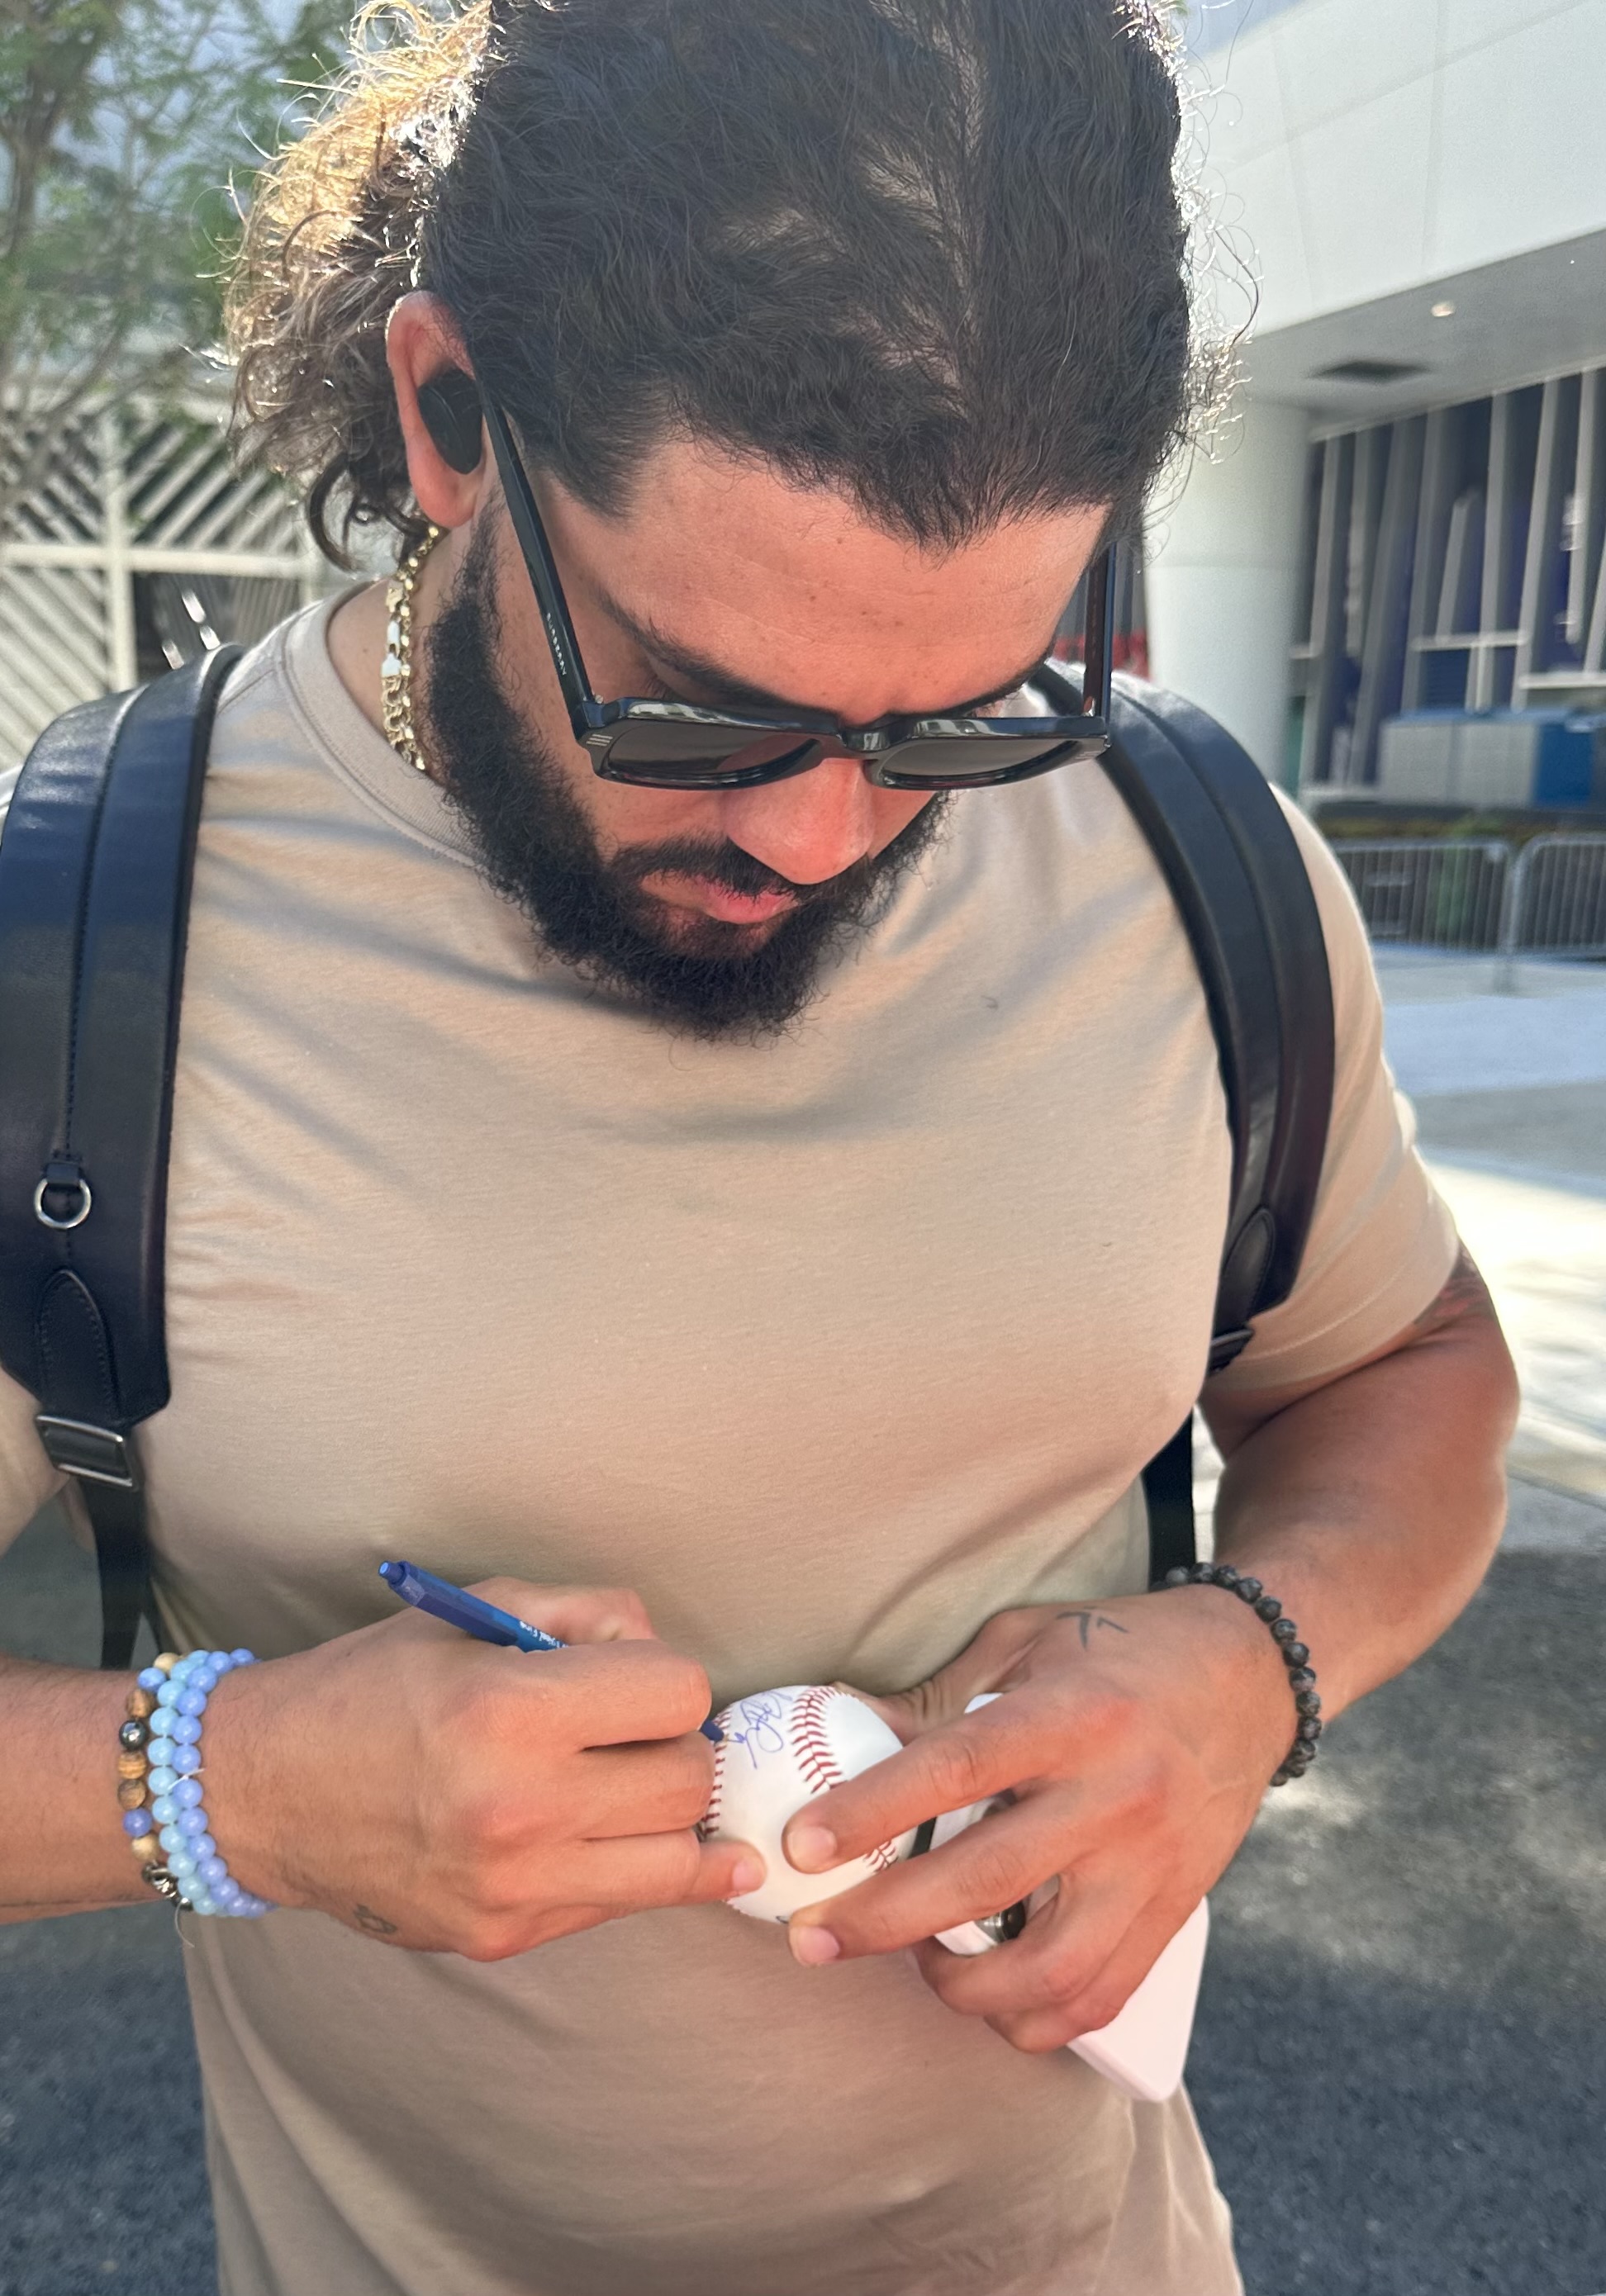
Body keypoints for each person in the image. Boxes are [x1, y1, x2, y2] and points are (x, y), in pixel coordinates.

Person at [0, 2, 1517, 2292]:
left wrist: (1247, 1668)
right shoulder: (79, 944)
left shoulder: (1196, 863)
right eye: (702, 706)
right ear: (446, 414)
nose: (824, 835)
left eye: (963, 715)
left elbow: (1408, 1369)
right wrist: (232, 1787)